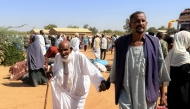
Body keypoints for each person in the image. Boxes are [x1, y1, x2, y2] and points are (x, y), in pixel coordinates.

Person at [99, 11, 170, 109]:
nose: (140, 23)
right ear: (130, 25)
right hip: (127, 92)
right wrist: (107, 82)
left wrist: (162, 95)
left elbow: (160, 70)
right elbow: (116, 66)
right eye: (137, 21)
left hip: (147, 93)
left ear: (146, 24)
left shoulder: (154, 43)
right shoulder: (121, 43)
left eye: (143, 21)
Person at [47, 40, 105, 109]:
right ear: (58, 50)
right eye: (61, 50)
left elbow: (92, 70)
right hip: (66, 90)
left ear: (71, 49)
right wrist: (51, 74)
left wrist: (101, 81)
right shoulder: (58, 57)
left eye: (66, 50)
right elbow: (56, 71)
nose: (63, 53)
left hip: (78, 92)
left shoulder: (79, 57)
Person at [165, 31, 190, 109]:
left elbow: (165, 72)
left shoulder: (171, 53)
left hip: (172, 92)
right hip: (185, 93)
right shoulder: (186, 55)